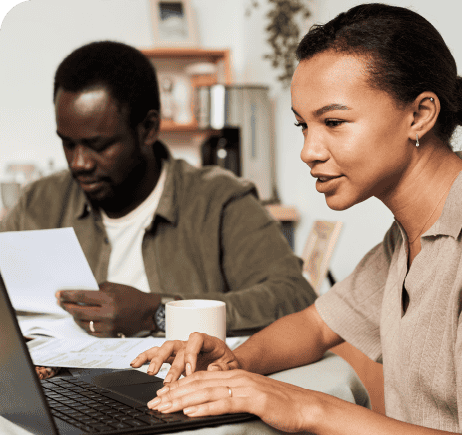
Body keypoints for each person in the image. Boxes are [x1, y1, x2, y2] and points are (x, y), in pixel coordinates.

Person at [131, 3, 462, 435]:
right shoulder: (411, 233)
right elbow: (316, 324)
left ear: (419, 114)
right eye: (304, 125)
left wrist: (307, 406)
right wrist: (234, 366)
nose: (308, 150)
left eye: (334, 122)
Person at [0, 40, 317, 339]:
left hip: (183, 389)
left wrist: (159, 313)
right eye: (68, 144)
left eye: (99, 145)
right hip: (66, 389)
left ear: (149, 128)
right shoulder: (39, 202)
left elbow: (293, 296)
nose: (79, 162)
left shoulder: (219, 199)